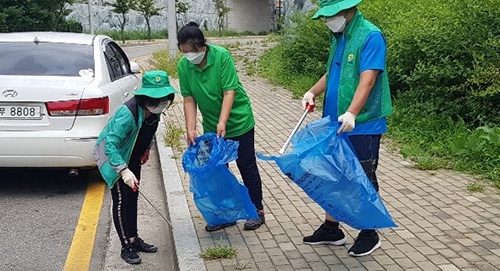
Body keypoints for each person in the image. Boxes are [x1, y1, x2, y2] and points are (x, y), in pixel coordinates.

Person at [301, 0, 393, 257]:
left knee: (362, 176)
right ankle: (332, 228)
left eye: (331, 14)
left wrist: (352, 113)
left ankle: (369, 232)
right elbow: (333, 73)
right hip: (336, 121)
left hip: (362, 123)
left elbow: (368, 79)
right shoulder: (339, 36)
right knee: (334, 173)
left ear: (347, 10)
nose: (328, 20)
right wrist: (312, 91)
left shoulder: (370, 36)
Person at [176, 22, 265, 231]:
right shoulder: (184, 66)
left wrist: (223, 121)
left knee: (246, 165)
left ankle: (257, 210)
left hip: (238, 121)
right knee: (216, 170)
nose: (189, 56)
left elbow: (229, 92)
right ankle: (226, 214)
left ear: (202, 46)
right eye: (185, 52)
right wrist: (190, 128)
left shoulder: (221, 56)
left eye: (192, 51)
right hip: (211, 127)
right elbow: (189, 99)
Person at [93, 70, 177, 264]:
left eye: (164, 99)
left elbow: (147, 132)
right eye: (156, 99)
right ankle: (126, 245)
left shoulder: (154, 113)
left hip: (132, 157)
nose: (160, 102)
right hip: (115, 157)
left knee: (132, 197)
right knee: (122, 201)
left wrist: (145, 149)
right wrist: (123, 170)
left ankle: (134, 238)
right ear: (145, 96)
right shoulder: (128, 113)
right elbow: (110, 145)